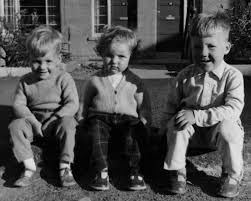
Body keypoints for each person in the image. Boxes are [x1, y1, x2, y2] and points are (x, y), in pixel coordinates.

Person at [160, 12, 244, 198]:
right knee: (177, 122)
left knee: (230, 127)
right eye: (197, 47)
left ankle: (231, 175)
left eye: (211, 46)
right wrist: (161, 127)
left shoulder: (233, 76)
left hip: (218, 133)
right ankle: (177, 170)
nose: (203, 53)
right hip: (192, 136)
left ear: (227, 47)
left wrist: (196, 115)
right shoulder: (184, 75)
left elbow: (233, 109)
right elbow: (171, 104)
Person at [80, 25, 151, 191]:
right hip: (101, 118)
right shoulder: (94, 80)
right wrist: (81, 120)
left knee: (133, 133)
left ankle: (135, 172)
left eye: (121, 56)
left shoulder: (136, 82)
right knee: (97, 131)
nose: (114, 61)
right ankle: (101, 171)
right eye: (109, 56)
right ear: (101, 54)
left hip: (127, 120)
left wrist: (145, 124)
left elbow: (144, 106)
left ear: (131, 57)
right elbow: (84, 103)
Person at [8, 25, 79, 187]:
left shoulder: (64, 78)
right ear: (29, 59)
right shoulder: (26, 81)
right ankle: (28, 167)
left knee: (69, 124)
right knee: (15, 126)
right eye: (36, 61)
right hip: (35, 124)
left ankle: (65, 166)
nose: (42, 67)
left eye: (48, 61)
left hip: (57, 123)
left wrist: (56, 117)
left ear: (58, 60)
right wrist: (33, 122)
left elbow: (72, 103)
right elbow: (19, 105)